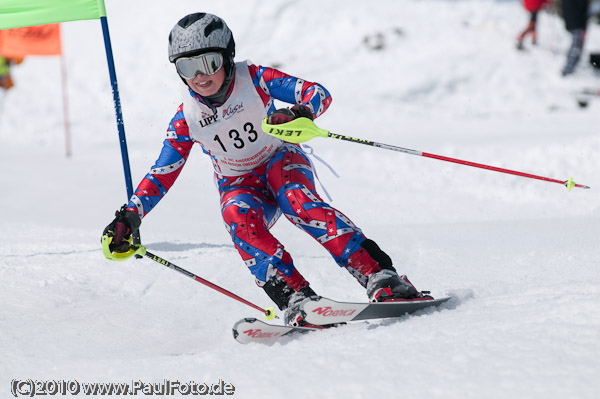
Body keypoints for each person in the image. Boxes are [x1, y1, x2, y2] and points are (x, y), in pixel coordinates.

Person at [102, 12, 428, 327]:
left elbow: (317, 94)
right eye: (188, 66)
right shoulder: (185, 118)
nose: (200, 75)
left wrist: (298, 112)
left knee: (296, 201)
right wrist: (130, 216)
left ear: (227, 57)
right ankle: (297, 299)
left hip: (280, 161)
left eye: (209, 62)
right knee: (237, 218)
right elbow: (163, 172)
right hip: (239, 185)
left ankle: (380, 276)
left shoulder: (255, 78)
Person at [561, 0, 589, 76]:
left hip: (570, 22)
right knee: (576, 47)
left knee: (575, 46)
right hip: (578, 24)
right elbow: (582, 8)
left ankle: (569, 68)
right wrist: (583, 26)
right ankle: (567, 70)